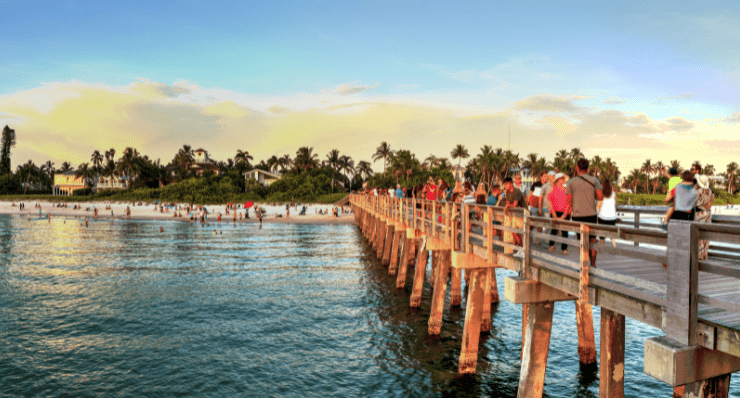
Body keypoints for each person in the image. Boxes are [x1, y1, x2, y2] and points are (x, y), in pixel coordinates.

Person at [566, 158, 603, 267]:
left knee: (581, 242)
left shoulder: (571, 182)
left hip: (577, 216)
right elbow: (600, 196)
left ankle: (584, 265)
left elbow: (568, 200)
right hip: (591, 215)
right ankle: (593, 265)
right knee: (592, 241)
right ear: (588, 168)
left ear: (577, 168)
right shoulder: (594, 180)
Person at [548, 173, 570, 253]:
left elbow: (568, 203)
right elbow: (549, 201)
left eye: (563, 179)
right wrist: (553, 213)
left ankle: (564, 248)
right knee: (554, 230)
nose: (562, 180)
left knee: (565, 231)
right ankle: (551, 245)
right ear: (557, 180)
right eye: (560, 179)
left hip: (564, 212)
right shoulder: (552, 189)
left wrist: (564, 215)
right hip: (555, 212)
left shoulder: (566, 189)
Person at [500, 177, 525, 247]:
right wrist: (508, 207)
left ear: (510, 184)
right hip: (515, 214)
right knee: (514, 232)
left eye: (506, 184)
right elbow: (508, 203)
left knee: (518, 233)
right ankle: (520, 248)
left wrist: (508, 206)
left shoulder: (517, 191)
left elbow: (514, 204)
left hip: (522, 214)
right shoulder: (507, 192)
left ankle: (521, 249)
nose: (504, 186)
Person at [694, 174, 714, 260]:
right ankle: (705, 255)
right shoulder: (709, 190)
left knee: (700, 236)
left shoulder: (698, 191)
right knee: (706, 235)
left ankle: (700, 256)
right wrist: (710, 203)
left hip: (700, 214)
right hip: (708, 214)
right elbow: (712, 196)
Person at [597, 179, 618, 246]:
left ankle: (602, 247)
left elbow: (598, 206)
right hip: (612, 217)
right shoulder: (614, 194)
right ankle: (614, 247)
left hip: (602, 217)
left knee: (602, 234)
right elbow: (615, 205)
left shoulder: (601, 195)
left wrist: (597, 215)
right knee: (613, 235)